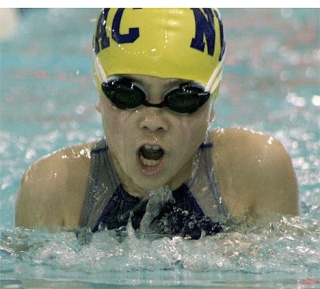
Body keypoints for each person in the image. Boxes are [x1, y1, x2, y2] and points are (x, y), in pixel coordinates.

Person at [15, 8, 299, 240]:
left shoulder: (254, 172)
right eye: (127, 93)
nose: (152, 121)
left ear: (212, 103)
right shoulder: (54, 190)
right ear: (99, 92)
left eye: (182, 98)